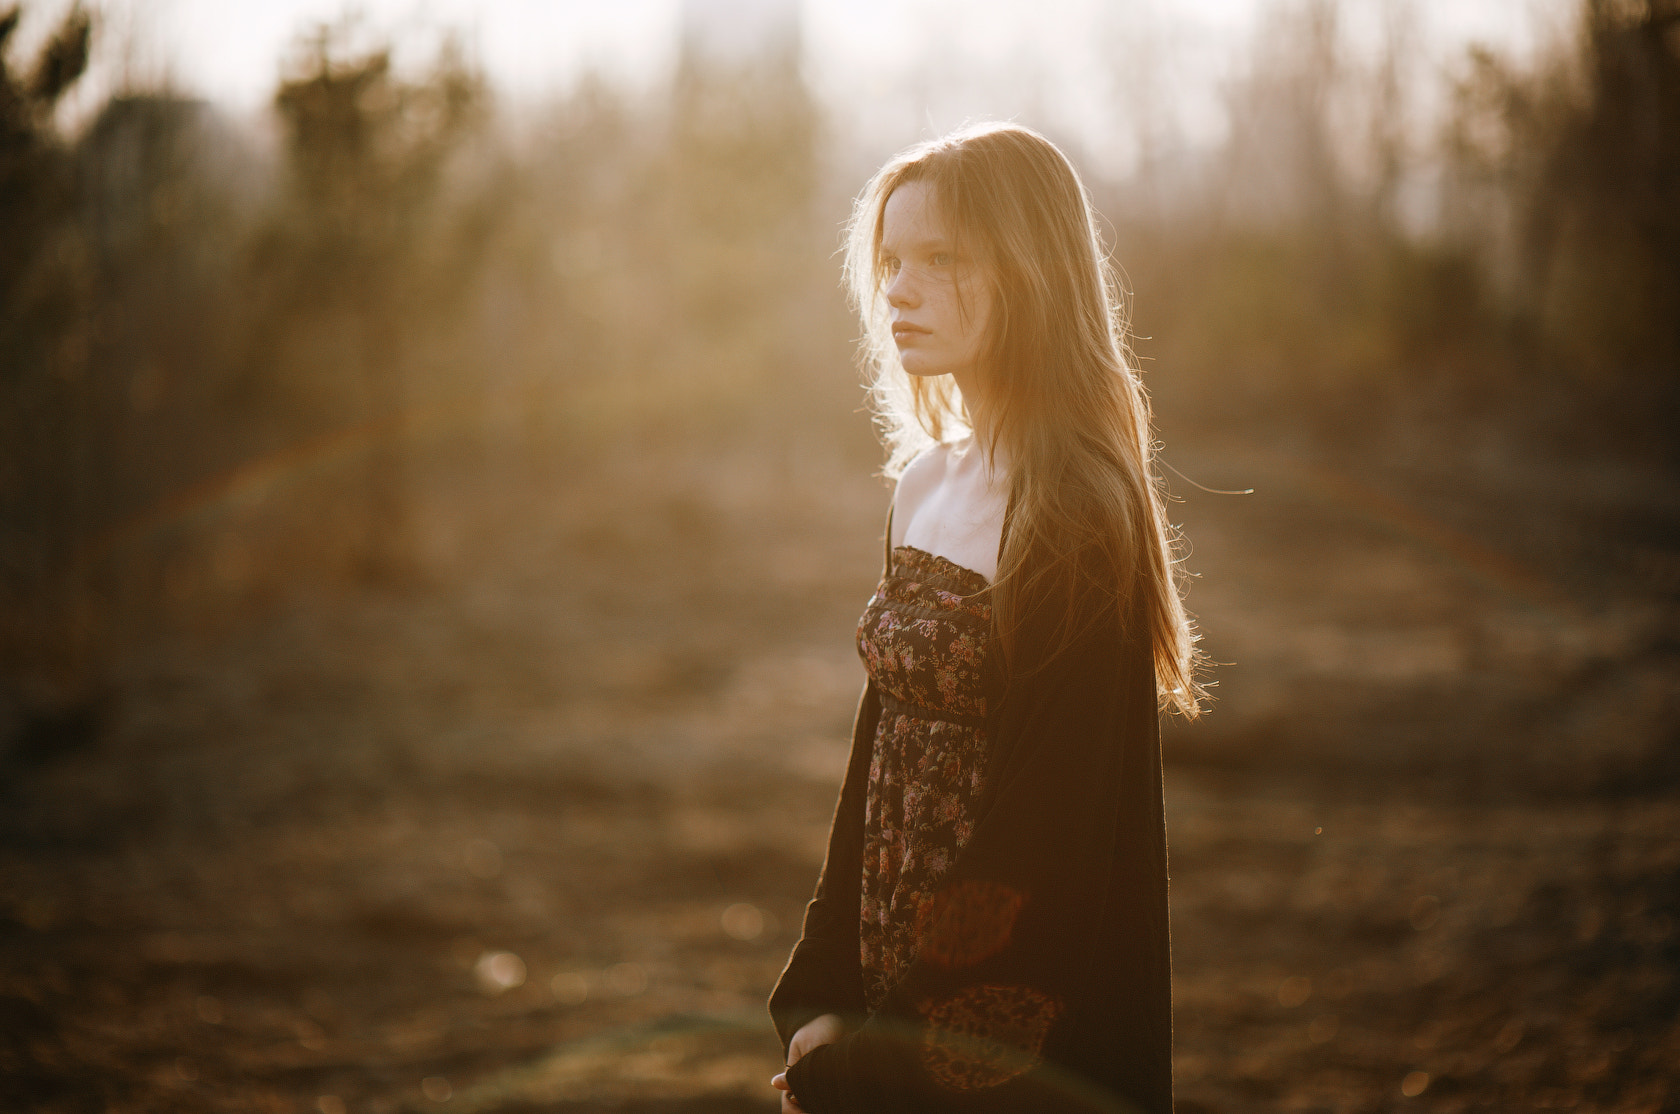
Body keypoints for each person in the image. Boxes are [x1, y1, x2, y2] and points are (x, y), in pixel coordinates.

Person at [766, 123, 1203, 1114]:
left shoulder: (1077, 515)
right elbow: (876, 758)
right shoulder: (923, 486)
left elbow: (1047, 841)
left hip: (1002, 1026)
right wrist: (823, 992)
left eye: (942, 260)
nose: (899, 292)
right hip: (888, 974)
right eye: (890, 262)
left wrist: (890, 1054)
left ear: (1030, 277)